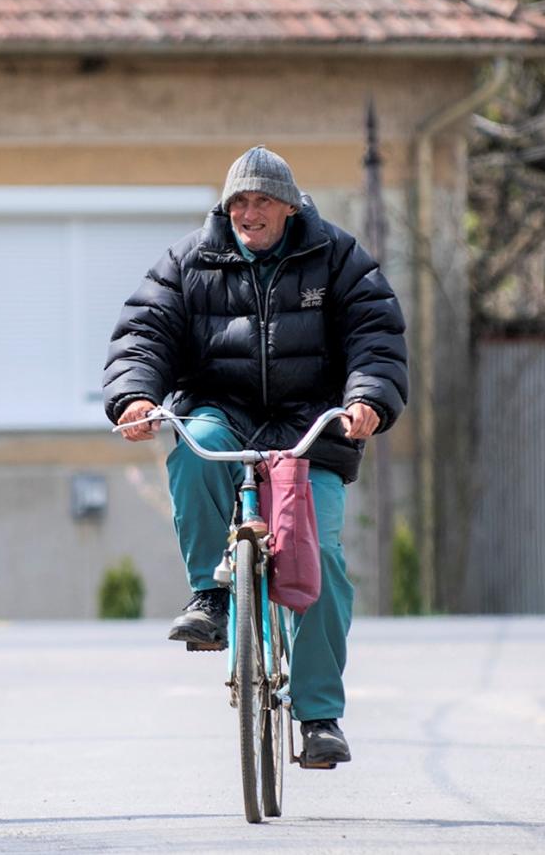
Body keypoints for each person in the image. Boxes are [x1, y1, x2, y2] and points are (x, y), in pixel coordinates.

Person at [103, 146, 408, 769]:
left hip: (309, 424)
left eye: (262, 201)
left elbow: (374, 334)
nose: (249, 212)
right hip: (224, 406)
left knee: (317, 553)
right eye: (239, 202)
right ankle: (210, 599)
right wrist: (135, 396)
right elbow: (145, 331)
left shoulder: (339, 258)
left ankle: (318, 715)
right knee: (195, 445)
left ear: (290, 207)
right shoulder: (190, 259)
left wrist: (368, 397)